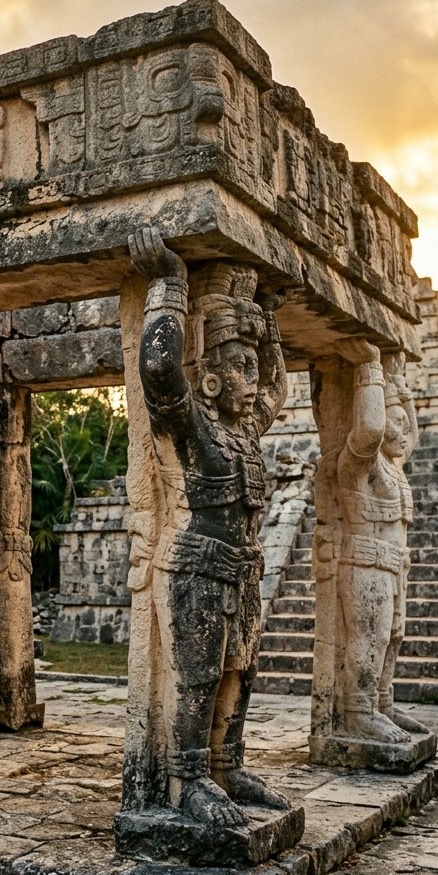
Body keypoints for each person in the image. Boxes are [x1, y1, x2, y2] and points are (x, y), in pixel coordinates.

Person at [130, 226, 290, 828]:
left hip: (243, 570)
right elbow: (161, 372)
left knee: (239, 670)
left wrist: (265, 321)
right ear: (214, 377)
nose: (252, 379)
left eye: (251, 366)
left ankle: (229, 764)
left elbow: (277, 385)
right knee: (198, 675)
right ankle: (189, 777)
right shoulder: (195, 428)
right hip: (198, 566)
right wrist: (169, 287)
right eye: (239, 366)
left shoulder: (247, 434)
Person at [335, 340, 428, 743]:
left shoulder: (394, 466)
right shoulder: (360, 460)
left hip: (394, 565)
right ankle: (359, 712)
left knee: (393, 635)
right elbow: (372, 429)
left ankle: (383, 703)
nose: (403, 429)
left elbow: (413, 434)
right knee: (369, 635)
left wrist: (399, 377)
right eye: (396, 421)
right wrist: (370, 369)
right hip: (365, 564)